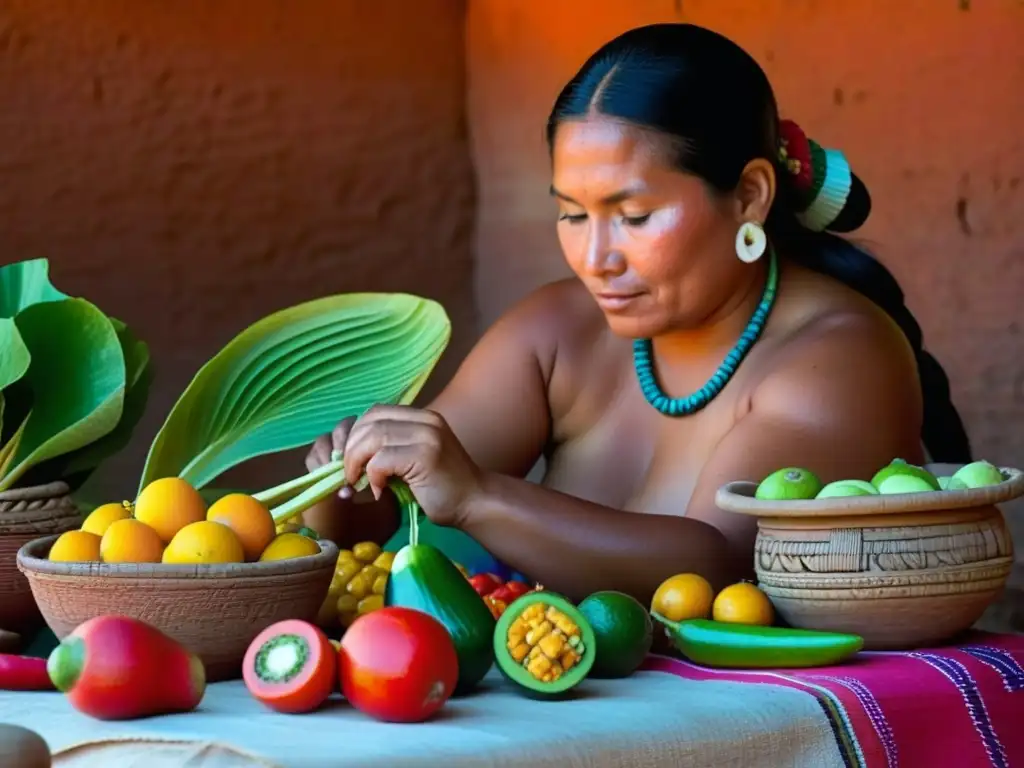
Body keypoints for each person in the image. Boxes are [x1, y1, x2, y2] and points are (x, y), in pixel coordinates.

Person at [304, 23, 971, 603]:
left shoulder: (840, 355)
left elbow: (720, 568)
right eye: (571, 212)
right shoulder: (559, 333)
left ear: (748, 196)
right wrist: (349, 480)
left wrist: (480, 496)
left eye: (634, 217)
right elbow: (380, 511)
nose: (595, 258)